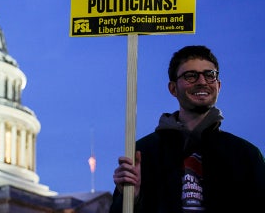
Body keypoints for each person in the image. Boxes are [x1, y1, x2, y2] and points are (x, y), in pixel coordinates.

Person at [110, 45, 265, 212]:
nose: (202, 81)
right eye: (190, 76)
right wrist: (132, 199)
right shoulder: (143, 152)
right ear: (173, 88)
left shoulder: (245, 155)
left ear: (218, 86)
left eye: (209, 75)